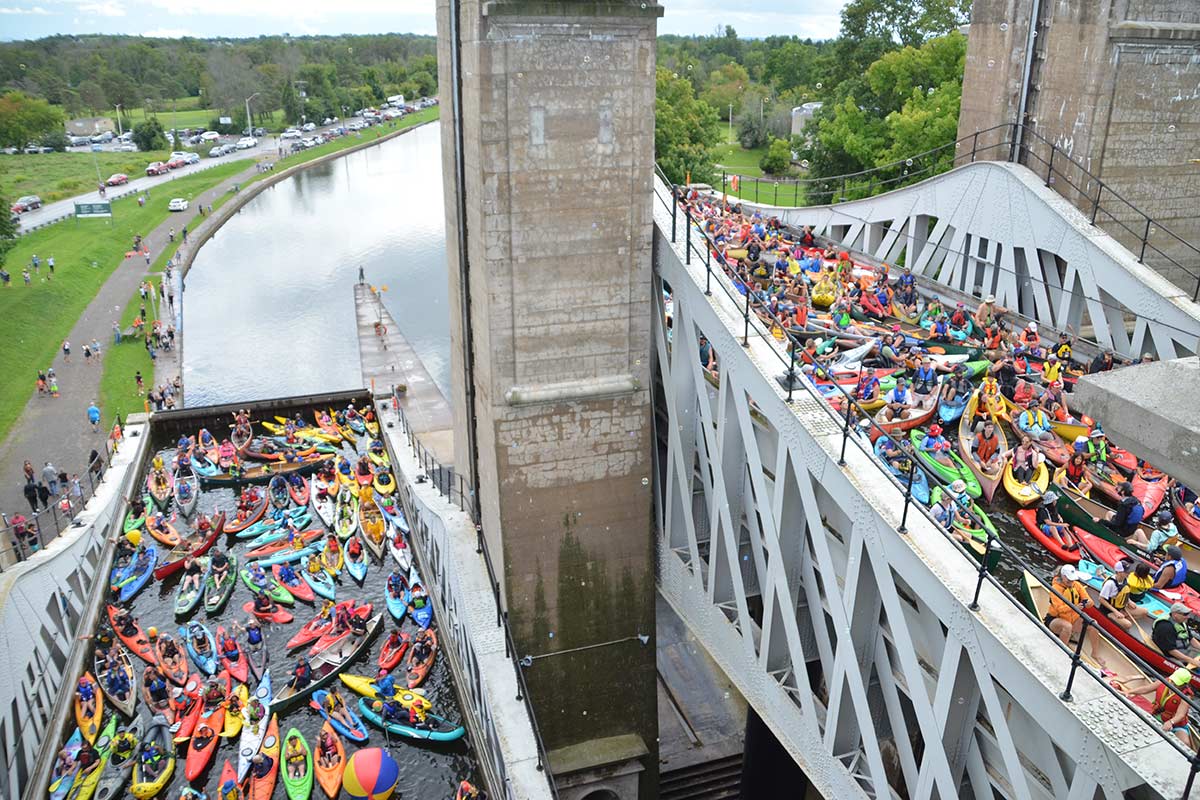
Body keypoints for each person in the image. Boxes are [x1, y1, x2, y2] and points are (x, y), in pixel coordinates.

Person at [1119, 668, 1195, 746]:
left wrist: (1170, 722)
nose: (1172, 684)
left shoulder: (1186, 696)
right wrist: (1128, 692)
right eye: (1172, 681)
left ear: (1184, 685)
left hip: (1176, 724)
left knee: (1185, 743)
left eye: (1176, 683)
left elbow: (1180, 715)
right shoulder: (1165, 681)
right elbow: (1146, 689)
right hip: (1157, 715)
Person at [1045, 565, 1090, 648]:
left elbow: (1090, 602)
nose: (1071, 582)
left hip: (1071, 618)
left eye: (1072, 580)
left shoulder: (1076, 585)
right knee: (1067, 626)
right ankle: (1062, 649)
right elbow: (1059, 609)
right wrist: (1075, 607)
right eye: (1069, 580)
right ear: (1063, 576)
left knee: (1092, 623)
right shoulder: (1056, 588)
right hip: (1055, 618)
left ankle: (1095, 654)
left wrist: (1088, 603)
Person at [1151, 603, 1200, 670]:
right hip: (1170, 655)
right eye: (1185, 614)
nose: (1188, 616)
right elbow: (1171, 651)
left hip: (1184, 651)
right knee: (1184, 670)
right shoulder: (1165, 627)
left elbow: (1191, 638)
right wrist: (1191, 660)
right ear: (1175, 614)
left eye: (1188, 614)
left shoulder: (1182, 622)